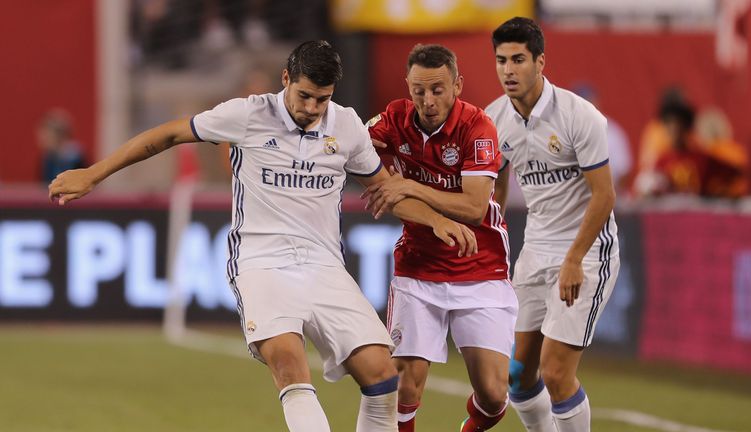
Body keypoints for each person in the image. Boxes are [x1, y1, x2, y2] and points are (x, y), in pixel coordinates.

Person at [48, 40, 479, 432]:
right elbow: (168, 134)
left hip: (323, 265)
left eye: (322, 99)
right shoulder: (248, 115)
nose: (312, 107)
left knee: (384, 377)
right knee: (290, 366)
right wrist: (93, 174)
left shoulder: (345, 127)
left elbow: (384, 189)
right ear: (286, 79)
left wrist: (434, 219)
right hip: (261, 263)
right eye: (304, 95)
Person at [363, 44, 517, 432]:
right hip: (418, 269)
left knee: (495, 394)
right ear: (408, 86)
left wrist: (407, 186)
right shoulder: (392, 121)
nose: (428, 101)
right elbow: (352, 146)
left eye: (437, 90)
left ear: (457, 86)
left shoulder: (478, 127)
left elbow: (474, 208)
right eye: (418, 90)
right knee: (404, 387)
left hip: (480, 266)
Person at [484, 18, 620, 432]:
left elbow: (605, 195)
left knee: (557, 374)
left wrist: (574, 259)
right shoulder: (493, 118)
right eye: (501, 60)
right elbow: (496, 194)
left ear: (540, 62)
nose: (509, 69)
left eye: (519, 60)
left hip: (586, 251)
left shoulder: (581, 117)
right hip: (535, 249)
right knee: (518, 376)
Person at [38, 109, 85, 183]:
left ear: (60, 135)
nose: (43, 139)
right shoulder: (48, 157)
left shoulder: (75, 157)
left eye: (47, 135)